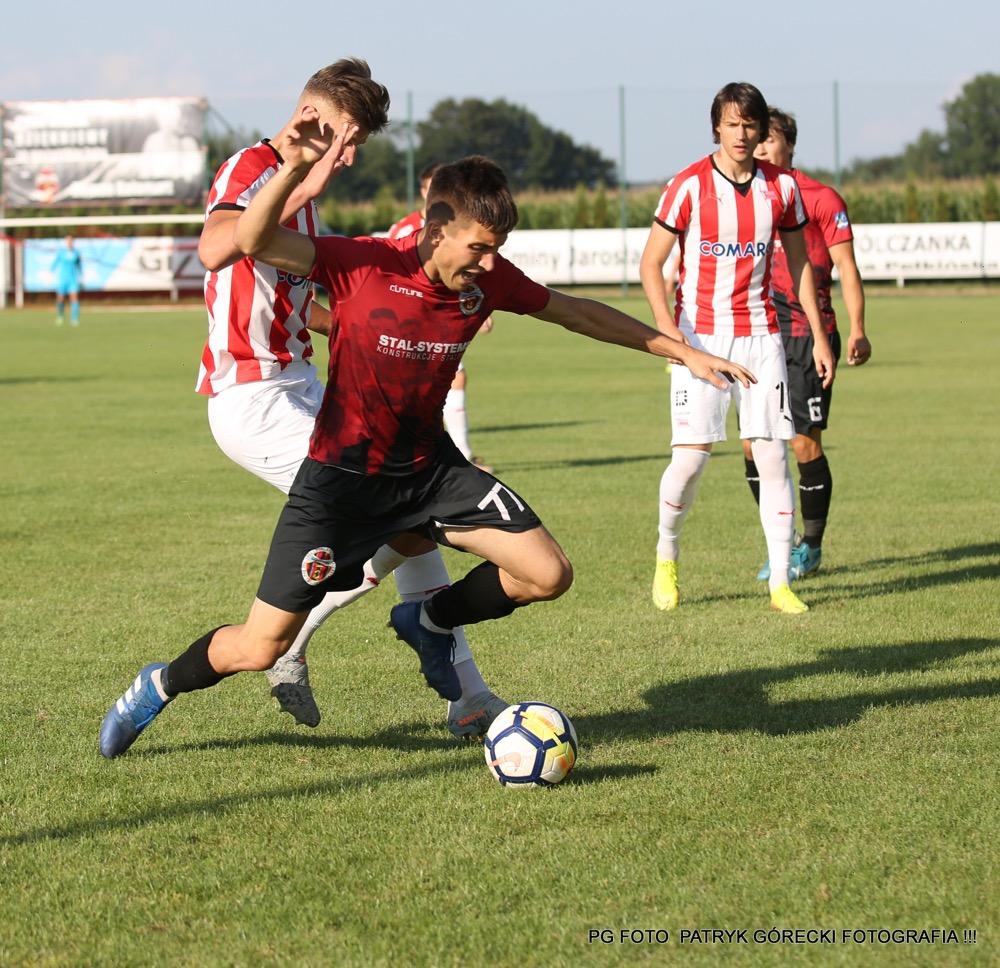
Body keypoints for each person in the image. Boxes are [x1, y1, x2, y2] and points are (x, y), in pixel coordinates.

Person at [98, 128, 755, 759]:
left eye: (498, 248)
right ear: (437, 230)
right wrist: (296, 168)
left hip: (431, 474)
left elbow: (575, 311)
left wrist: (681, 351)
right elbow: (251, 239)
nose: (490, 263)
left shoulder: (488, 279)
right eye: (480, 248)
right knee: (260, 647)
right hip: (340, 484)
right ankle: (158, 685)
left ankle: (431, 620)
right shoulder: (362, 263)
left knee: (548, 574)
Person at [194, 59, 505, 739]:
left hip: (301, 386)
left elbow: (291, 307)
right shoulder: (253, 167)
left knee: (413, 520)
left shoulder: (303, 190)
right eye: (348, 138)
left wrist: (360, 325)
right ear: (312, 118)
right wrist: (299, 172)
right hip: (254, 398)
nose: (352, 155)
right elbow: (216, 250)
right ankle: (447, 689)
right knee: (406, 510)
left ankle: (468, 698)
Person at [639, 81, 836, 616]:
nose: (742, 134)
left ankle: (780, 582)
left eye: (751, 124)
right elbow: (651, 263)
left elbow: (800, 266)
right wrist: (668, 332)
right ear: (717, 128)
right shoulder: (688, 186)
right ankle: (667, 555)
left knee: (772, 455)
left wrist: (819, 336)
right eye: (732, 124)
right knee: (690, 462)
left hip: (762, 337)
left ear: (761, 129)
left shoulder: (782, 188)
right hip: (700, 339)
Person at [745, 106, 872, 581]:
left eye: (768, 138)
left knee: (803, 443)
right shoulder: (748, 197)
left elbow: (848, 269)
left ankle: (810, 547)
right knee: (752, 446)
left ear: (790, 145)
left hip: (805, 336)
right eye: (756, 137)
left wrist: (857, 329)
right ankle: (781, 541)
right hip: (757, 333)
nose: (759, 146)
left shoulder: (820, 197)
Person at [389, 163, 492, 471]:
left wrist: (478, 306)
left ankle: (461, 456)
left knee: (453, 379)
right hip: (408, 321)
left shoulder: (461, 227)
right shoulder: (404, 229)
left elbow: (469, 271)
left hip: (442, 320)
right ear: (424, 192)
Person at [53, 235, 82, 326]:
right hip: (63, 279)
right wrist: (50, 272)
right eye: (68, 241)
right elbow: (55, 263)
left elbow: (79, 266)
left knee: (74, 298)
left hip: (73, 279)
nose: (69, 243)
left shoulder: (76, 253)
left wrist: (82, 276)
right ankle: (60, 316)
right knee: (60, 299)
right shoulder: (61, 253)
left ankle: (74, 319)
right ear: (65, 242)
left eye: (71, 241)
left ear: (73, 242)